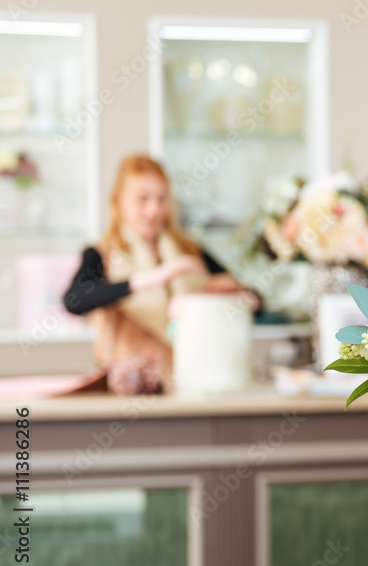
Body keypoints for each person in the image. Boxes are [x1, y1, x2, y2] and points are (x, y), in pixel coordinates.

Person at [63, 154, 258, 391]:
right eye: (142, 199)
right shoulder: (101, 254)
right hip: (130, 388)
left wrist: (234, 292)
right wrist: (148, 280)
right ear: (118, 200)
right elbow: (74, 301)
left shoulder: (190, 252)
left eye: (162, 199)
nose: (154, 210)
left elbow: (256, 300)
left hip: (193, 384)